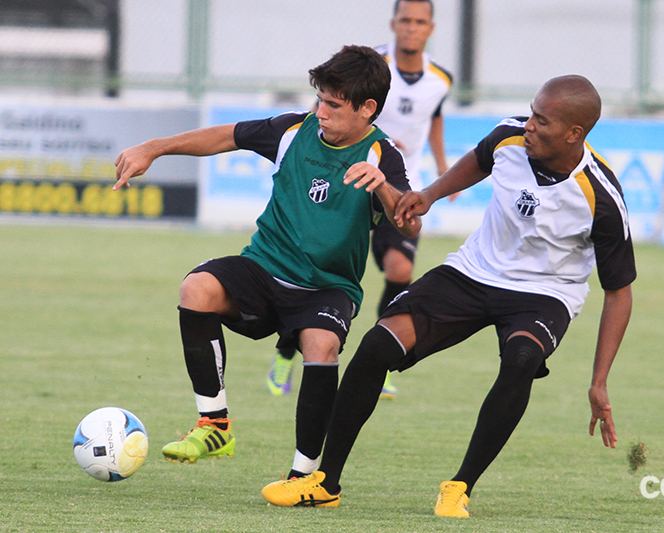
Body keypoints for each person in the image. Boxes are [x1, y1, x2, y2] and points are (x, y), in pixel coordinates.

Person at [261, 75, 636, 517]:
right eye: (531, 112)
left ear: (574, 133)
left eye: (542, 120)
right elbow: (479, 160)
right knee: (378, 343)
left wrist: (598, 381)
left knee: (520, 362)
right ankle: (325, 481)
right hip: (474, 271)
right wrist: (429, 195)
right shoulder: (509, 137)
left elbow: (619, 293)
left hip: (544, 293)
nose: (529, 125)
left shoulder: (602, 197)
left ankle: (460, 486)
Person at [113, 45, 421, 479]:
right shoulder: (294, 130)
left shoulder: (382, 157)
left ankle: (305, 475)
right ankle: (215, 425)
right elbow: (227, 136)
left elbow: (409, 227)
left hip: (327, 286)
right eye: (320, 100)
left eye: (333, 105)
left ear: (367, 109)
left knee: (321, 345)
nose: (321, 111)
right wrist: (156, 147)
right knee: (196, 288)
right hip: (264, 267)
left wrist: (384, 189)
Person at [266, 0, 453, 400]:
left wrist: (442, 167)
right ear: (393, 23)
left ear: (431, 28)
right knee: (314, 266)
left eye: (420, 22)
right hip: (348, 174)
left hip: (399, 186)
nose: (411, 28)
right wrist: (377, 142)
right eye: (405, 20)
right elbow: (354, 110)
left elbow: (434, 118)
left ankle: (380, 356)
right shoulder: (374, 67)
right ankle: (286, 352)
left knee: (400, 270)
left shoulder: (442, 79)